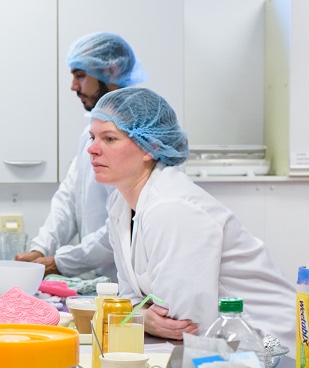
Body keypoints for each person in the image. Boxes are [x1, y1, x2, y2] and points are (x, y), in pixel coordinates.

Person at [88, 86, 295, 342]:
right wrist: (141, 317)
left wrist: (138, 318)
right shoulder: (121, 203)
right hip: (223, 347)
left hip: (273, 348)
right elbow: (129, 297)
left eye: (109, 138)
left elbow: (183, 323)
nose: (93, 149)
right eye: (92, 137)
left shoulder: (172, 207)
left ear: (149, 147)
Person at [17, 32, 146, 280]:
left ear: (111, 70)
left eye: (80, 75)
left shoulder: (137, 136)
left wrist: (58, 262)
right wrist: (41, 248)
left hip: (128, 287)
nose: (73, 86)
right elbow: (69, 197)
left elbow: (123, 224)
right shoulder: (90, 132)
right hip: (95, 283)